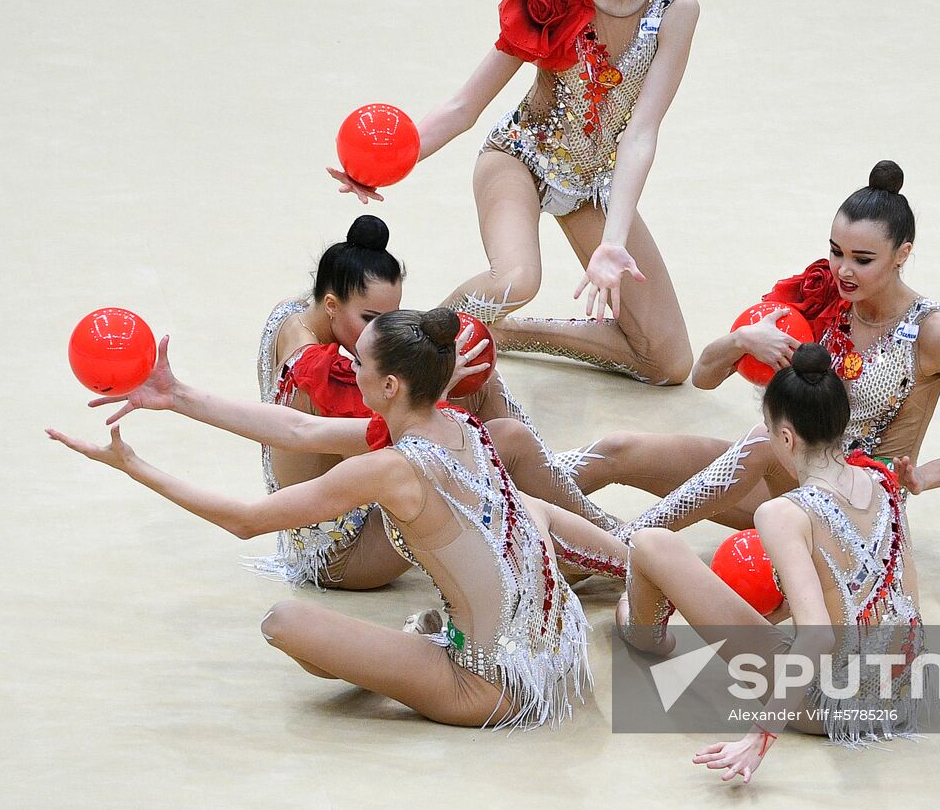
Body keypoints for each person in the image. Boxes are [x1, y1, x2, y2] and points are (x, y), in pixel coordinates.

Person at [48, 309, 611, 728]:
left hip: (486, 686)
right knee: (526, 514)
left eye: (357, 360)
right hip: (556, 653)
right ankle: (628, 562)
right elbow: (300, 432)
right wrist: (176, 395)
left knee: (285, 624)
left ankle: (420, 659)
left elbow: (246, 521)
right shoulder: (456, 426)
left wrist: (132, 465)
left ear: (389, 386)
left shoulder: (389, 468)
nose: (346, 364)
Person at [328, 0, 699, 384]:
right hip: (521, 157)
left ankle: (499, 332)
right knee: (518, 279)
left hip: (594, 180)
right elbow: (465, 105)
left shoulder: (676, 9)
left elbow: (641, 134)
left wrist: (612, 242)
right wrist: (385, 167)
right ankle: (405, 351)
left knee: (667, 363)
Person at [562, 161, 940, 536]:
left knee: (759, 440)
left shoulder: (935, 333)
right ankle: (517, 498)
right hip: (792, 473)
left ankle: (617, 548)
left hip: (859, 504)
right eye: (836, 251)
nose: (843, 270)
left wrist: (925, 476)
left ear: (903, 254)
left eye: (862, 259)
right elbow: (704, 377)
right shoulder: (822, 298)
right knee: (618, 450)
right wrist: (741, 340)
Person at [254, 215, 620, 588]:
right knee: (505, 435)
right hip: (341, 556)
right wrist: (441, 386)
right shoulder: (324, 372)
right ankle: (607, 540)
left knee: (480, 391)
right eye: (370, 318)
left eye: (391, 316)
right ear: (331, 304)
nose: (380, 330)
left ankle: (570, 515)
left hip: (337, 514)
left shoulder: (291, 315)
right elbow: (417, 442)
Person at [619, 345, 924, 778]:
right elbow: (895, 595)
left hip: (833, 705)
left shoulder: (782, 513)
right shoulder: (883, 478)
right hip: (905, 691)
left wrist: (758, 738)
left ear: (785, 438)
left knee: (650, 544)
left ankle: (645, 634)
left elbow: (817, 635)